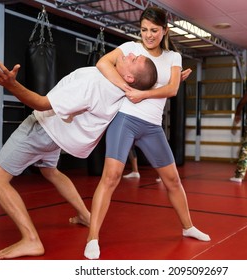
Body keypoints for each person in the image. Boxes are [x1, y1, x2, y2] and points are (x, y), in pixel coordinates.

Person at [0, 54, 157, 259]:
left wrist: (10, 84)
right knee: (50, 171)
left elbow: (41, 103)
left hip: (44, 127)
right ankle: (85, 215)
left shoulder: (93, 83)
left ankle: (31, 239)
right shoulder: (122, 92)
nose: (128, 54)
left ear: (129, 77)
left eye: (133, 59)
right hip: (59, 135)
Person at [84, 6, 209, 260]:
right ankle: (92, 237)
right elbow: (102, 63)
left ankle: (188, 227)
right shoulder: (131, 48)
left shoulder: (173, 57)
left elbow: (172, 89)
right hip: (126, 120)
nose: (148, 35)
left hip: (152, 126)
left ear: (164, 31)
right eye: (144, 30)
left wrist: (143, 94)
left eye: (154, 30)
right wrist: (126, 86)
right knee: (111, 176)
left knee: (173, 180)